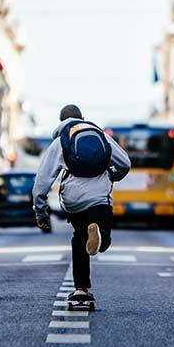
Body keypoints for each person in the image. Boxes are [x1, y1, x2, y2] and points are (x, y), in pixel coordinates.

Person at [33, 104, 130, 302]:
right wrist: (111, 175)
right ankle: (100, 235)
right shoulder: (99, 134)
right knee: (103, 237)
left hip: (74, 198)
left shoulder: (61, 141)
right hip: (100, 195)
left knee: (79, 237)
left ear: (62, 122)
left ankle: (81, 289)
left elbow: (42, 181)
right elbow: (125, 163)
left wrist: (41, 212)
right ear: (82, 117)